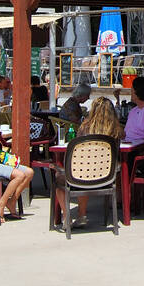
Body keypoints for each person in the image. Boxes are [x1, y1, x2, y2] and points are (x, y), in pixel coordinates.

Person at [58, 97, 121, 227]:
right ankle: (81, 215)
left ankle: (68, 215)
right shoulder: (116, 130)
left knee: (59, 178)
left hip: (82, 173)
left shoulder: (85, 127)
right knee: (87, 170)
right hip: (106, 175)